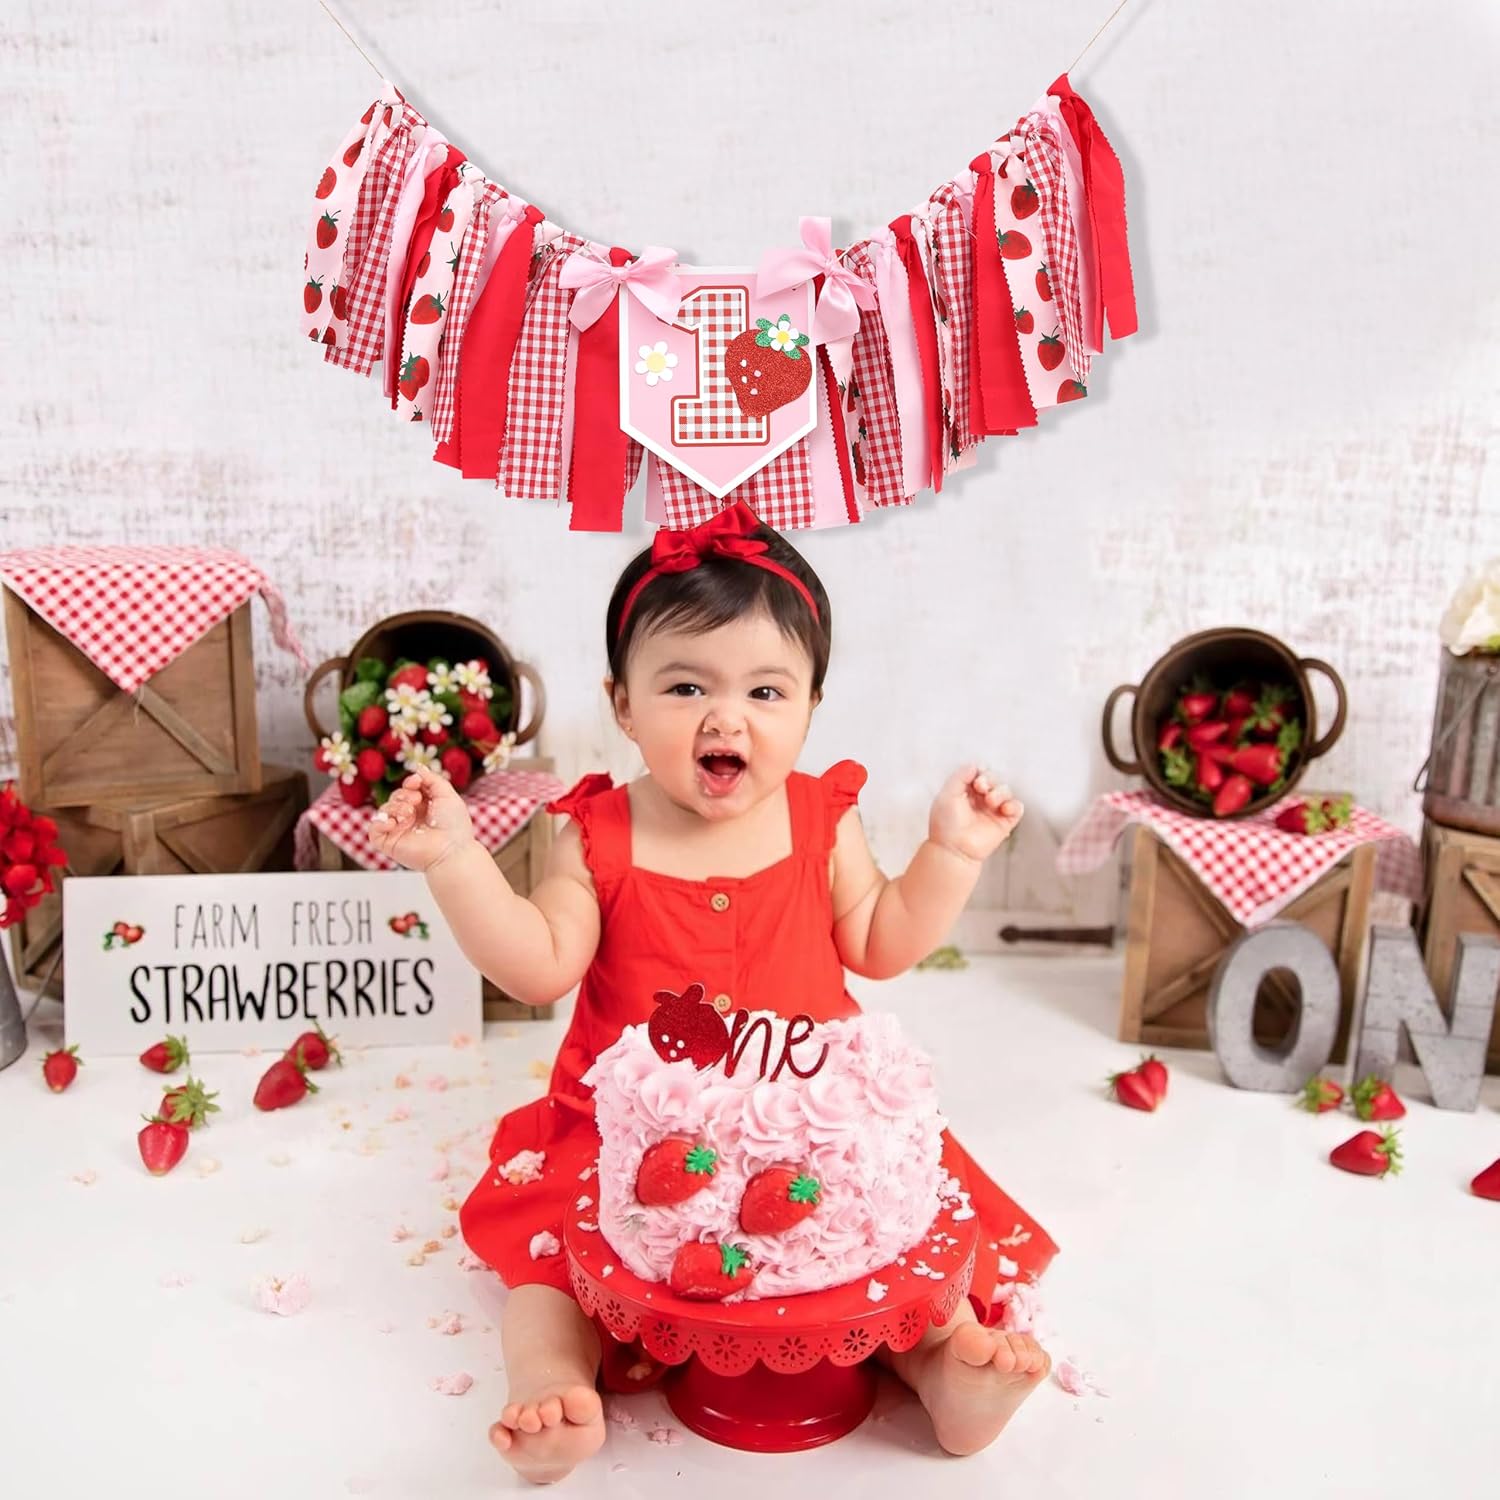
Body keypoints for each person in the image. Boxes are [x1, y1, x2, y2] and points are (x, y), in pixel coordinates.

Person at [371, 500, 1054, 1483]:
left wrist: (949, 854)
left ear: (813, 706)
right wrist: (455, 862)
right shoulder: (598, 834)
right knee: (552, 1263)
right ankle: (553, 1383)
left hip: (810, 1133)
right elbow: (539, 963)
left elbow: (881, 942)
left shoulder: (824, 820)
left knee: (881, 1248)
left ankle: (945, 1366)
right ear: (622, 705)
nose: (726, 717)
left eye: (767, 692)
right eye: (686, 685)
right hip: (628, 1141)